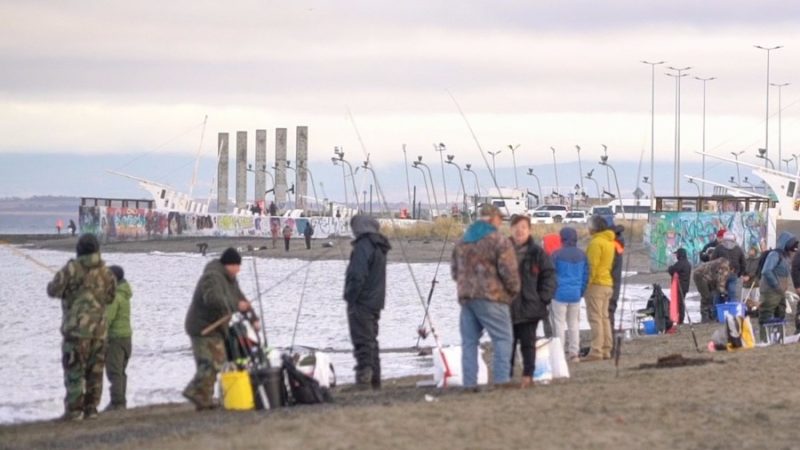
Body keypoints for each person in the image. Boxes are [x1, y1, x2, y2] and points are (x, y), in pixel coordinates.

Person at [46, 234, 117, 421]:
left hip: (76, 331)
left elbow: (53, 290)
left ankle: (74, 411)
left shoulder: (71, 269)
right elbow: (110, 297)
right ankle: (92, 409)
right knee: (95, 372)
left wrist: (68, 290)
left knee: (74, 369)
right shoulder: (106, 272)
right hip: (100, 332)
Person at [451, 204, 520, 387]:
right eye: (499, 219)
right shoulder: (498, 240)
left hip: (467, 298)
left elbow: (454, 271)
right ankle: (501, 380)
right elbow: (509, 271)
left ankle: (469, 383)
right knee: (503, 338)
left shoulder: (462, 241)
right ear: (492, 218)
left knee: (469, 342)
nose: (501, 222)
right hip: (492, 296)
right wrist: (513, 291)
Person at [183, 248, 253, 410]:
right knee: (208, 363)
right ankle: (193, 391)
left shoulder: (231, 280)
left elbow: (240, 298)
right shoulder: (212, 277)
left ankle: (204, 400)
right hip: (202, 327)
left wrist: (252, 317)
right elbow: (213, 299)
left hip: (216, 329)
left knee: (218, 362)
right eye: (237, 266)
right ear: (229, 264)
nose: (239, 270)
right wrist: (235, 306)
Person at [507, 215, 555, 387]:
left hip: (530, 306)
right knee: (507, 344)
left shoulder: (538, 253)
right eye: (516, 227)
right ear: (510, 229)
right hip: (507, 307)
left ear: (529, 230)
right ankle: (506, 377)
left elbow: (549, 276)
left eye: (523, 227)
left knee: (528, 343)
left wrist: (543, 298)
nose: (519, 231)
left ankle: (528, 376)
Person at [344, 215, 391, 389]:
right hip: (376, 301)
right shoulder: (379, 245)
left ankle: (364, 380)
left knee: (363, 341)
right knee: (371, 340)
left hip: (362, 302)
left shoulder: (364, 245)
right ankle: (375, 380)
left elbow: (357, 275)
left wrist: (350, 297)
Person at [551, 226, 588, 362]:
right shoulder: (582, 255)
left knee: (559, 324)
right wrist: (581, 291)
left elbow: (551, 275)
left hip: (559, 294)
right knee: (574, 324)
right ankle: (574, 353)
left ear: (562, 239)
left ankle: (560, 354)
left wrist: (552, 291)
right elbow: (585, 276)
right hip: (575, 295)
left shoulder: (556, 254)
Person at [583, 215, 615, 362]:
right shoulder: (609, 241)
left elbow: (591, 267)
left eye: (588, 225)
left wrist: (585, 285)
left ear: (593, 228)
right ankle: (606, 348)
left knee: (595, 318)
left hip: (596, 284)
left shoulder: (596, 243)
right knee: (604, 318)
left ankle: (596, 350)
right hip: (607, 283)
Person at [105, 265, 132, 411]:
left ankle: (117, 403)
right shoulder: (124, 294)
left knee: (114, 372)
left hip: (116, 339)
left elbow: (107, 319)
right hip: (126, 339)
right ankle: (120, 401)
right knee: (120, 371)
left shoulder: (115, 297)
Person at [759, 232, 798, 327]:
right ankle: (765, 338)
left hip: (780, 292)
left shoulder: (786, 256)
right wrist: (776, 285)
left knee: (781, 312)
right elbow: (766, 271)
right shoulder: (774, 254)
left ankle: (777, 335)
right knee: (766, 314)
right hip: (770, 291)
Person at [692, 257, 731, 322]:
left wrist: (723, 292)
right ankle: (705, 316)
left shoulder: (722, 266)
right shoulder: (722, 268)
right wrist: (724, 292)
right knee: (706, 296)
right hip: (699, 276)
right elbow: (720, 283)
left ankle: (710, 315)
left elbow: (719, 283)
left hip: (709, 278)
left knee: (712, 296)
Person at [712, 231, 746, 301]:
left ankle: (718, 310)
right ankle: (731, 310)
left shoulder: (718, 248)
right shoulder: (738, 249)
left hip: (720, 274)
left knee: (718, 295)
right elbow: (743, 263)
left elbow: (712, 261)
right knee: (732, 294)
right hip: (733, 273)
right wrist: (739, 274)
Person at [668, 248, 692, 324]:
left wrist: (669, 268)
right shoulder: (687, 263)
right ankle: (680, 319)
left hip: (680, 287)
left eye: (677, 254)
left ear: (680, 255)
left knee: (680, 303)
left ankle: (680, 319)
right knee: (681, 302)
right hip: (685, 286)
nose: (676, 256)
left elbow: (672, 270)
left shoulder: (681, 263)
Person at [609, 224, 625, 333]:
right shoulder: (619, 244)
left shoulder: (613, 246)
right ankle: (609, 337)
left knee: (608, 311)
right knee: (611, 310)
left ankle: (608, 339)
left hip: (611, 282)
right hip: (616, 282)